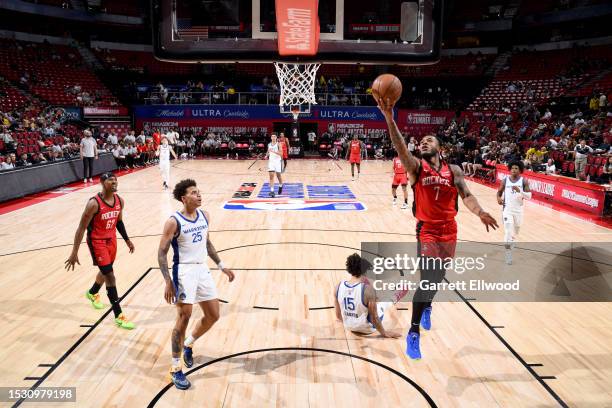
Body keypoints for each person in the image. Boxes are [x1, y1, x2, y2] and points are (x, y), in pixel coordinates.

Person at [378, 98, 498, 360]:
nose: (423, 143)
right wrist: (389, 118)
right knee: (427, 278)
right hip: (427, 230)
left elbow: (466, 195)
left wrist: (480, 213)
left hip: (450, 230)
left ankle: (428, 304)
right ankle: (413, 332)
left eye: (429, 140)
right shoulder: (416, 167)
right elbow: (400, 147)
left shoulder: (453, 170)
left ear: (440, 148)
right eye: (421, 142)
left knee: (435, 278)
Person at [157, 179, 235, 390]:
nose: (199, 195)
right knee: (184, 317)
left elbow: (207, 243)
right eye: (194, 192)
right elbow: (162, 253)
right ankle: (175, 367)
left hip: (202, 269)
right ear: (184, 198)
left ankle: (188, 344)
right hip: (183, 271)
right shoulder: (173, 221)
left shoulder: (204, 215)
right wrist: (168, 281)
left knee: (213, 315)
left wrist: (221, 266)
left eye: (199, 191)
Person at [64, 172, 136, 329]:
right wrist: (74, 252)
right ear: (103, 183)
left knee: (106, 271)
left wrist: (127, 240)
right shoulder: (93, 204)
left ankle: (92, 292)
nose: (115, 182)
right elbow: (81, 228)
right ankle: (119, 315)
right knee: (110, 275)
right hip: (97, 241)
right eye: (111, 180)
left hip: (112, 240)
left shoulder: (119, 201)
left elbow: (119, 222)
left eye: (116, 180)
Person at [334, 253, 400, 338]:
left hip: (348, 326)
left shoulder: (338, 287)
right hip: (367, 329)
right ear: (365, 271)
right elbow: (374, 318)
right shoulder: (368, 290)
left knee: (369, 301)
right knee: (383, 304)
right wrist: (384, 333)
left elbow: (338, 316)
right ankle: (396, 296)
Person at [497, 161, 531, 265]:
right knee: (507, 231)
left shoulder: (524, 181)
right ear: (510, 169)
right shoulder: (505, 180)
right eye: (512, 168)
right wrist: (498, 198)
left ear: (520, 170)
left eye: (516, 168)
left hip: (518, 210)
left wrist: (519, 191)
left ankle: (512, 241)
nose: (514, 170)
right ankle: (508, 255)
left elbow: (529, 196)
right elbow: (499, 192)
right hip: (507, 210)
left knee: (515, 232)